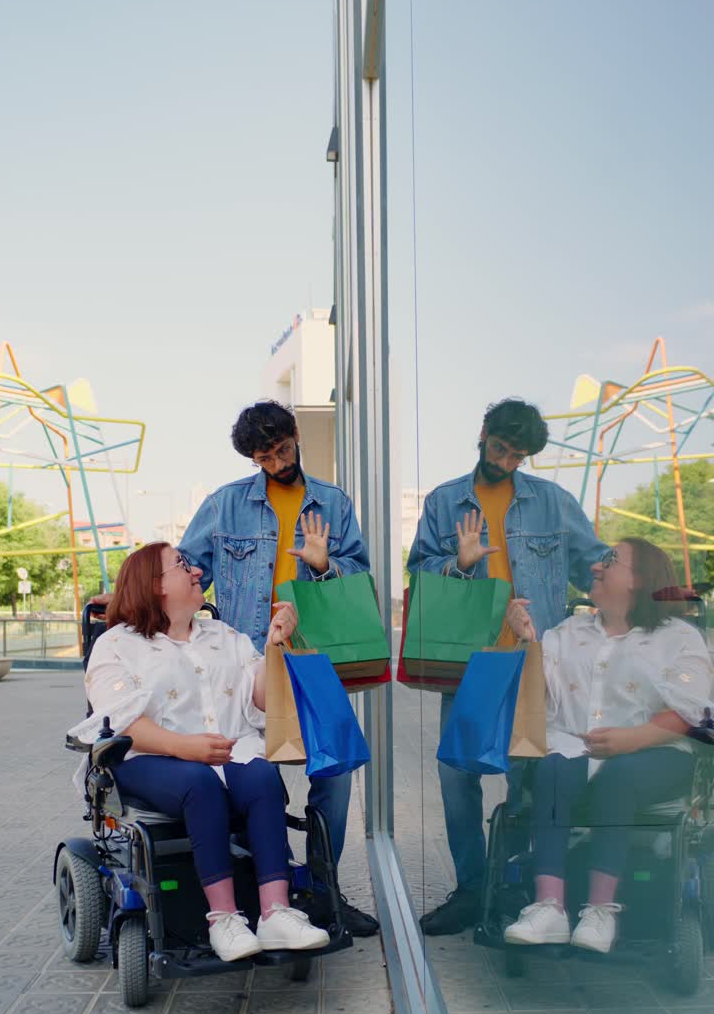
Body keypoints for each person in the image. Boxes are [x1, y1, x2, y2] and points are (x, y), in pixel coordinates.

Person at [69, 542, 330, 962]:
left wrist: (275, 645)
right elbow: (121, 721)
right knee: (198, 780)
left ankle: (276, 913)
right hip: (145, 759)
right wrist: (183, 747)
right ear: (154, 587)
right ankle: (223, 919)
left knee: (262, 774)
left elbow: (260, 698)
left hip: (227, 753)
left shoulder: (223, 636)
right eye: (182, 566)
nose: (195, 573)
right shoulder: (117, 645)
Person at [408, 397, 609, 935]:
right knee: (458, 776)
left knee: (530, 778)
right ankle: (474, 889)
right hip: (470, 662)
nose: (507, 461)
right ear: (483, 434)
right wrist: (461, 562)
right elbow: (420, 571)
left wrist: (646, 589)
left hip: (534, 663)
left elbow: (595, 565)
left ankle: (518, 884)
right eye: (501, 448)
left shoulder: (553, 502)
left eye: (519, 456)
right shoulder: (445, 501)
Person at [178, 399, 379, 936]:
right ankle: (259, 887)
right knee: (247, 772)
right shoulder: (224, 506)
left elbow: (358, 575)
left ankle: (320, 887)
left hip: (314, 660)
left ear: (295, 436)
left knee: (334, 774)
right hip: (245, 666)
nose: (275, 463)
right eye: (263, 458)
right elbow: (186, 572)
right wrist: (133, 601)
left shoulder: (333, 503)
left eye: (282, 450)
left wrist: (324, 564)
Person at [503, 537, 712, 952]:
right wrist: (526, 641)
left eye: (611, 561)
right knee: (551, 765)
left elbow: (693, 710)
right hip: (577, 751)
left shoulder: (678, 638)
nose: (597, 567)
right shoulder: (570, 632)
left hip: (658, 753)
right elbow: (541, 699)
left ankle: (600, 911)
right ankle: (550, 908)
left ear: (640, 579)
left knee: (620, 775)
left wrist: (633, 739)